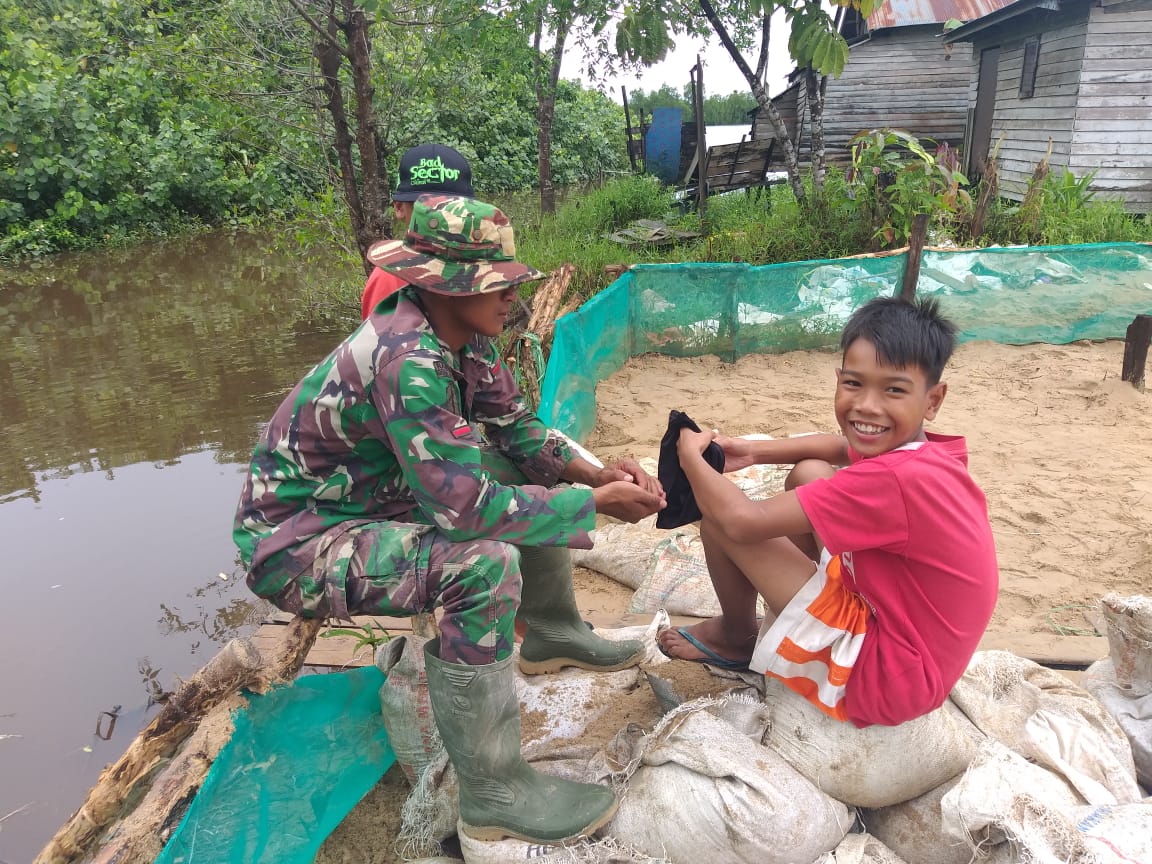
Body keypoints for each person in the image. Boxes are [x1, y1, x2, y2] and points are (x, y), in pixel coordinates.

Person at [234, 194, 666, 844]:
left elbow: (517, 431)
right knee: (481, 567)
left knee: (514, 469)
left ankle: (552, 633)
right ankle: (494, 794)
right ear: (443, 286)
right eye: (494, 283)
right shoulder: (406, 359)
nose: (511, 296)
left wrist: (593, 475)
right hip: (299, 543)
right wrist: (594, 507)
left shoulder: (463, 337)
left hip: (367, 501)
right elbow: (465, 512)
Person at [657, 296, 998, 728]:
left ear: (933, 400)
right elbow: (841, 447)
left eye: (893, 390)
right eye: (855, 384)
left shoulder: (896, 480)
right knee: (810, 473)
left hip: (884, 675)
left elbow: (741, 522)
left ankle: (735, 636)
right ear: (839, 378)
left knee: (721, 521)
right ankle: (770, 619)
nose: (867, 405)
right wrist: (755, 452)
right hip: (911, 643)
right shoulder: (921, 455)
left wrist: (690, 458)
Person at [361, 143, 475, 319]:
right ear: (399, 208)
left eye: (452, 207)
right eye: (425, 208)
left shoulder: (481, 265)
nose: (440, 218)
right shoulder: (390, 277)